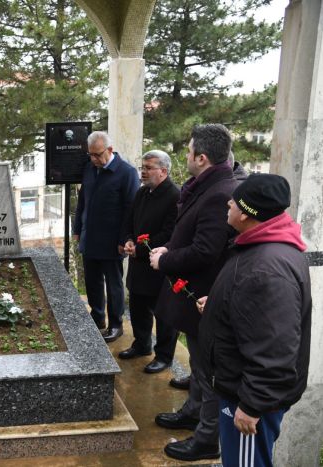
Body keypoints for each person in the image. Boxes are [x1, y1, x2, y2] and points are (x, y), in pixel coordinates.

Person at [198, 174, 311, 467]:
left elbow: (275, 348)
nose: (228, 203)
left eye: (234, 201)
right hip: (243, 389)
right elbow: (257, 313)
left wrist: (251, 405)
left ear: (246, 213)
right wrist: (221, 305)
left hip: (247, 398)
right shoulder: (263, 248)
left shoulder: (266, 268)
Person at [150, 124, 239, 462]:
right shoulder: (208, 186)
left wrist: (165, 260)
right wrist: (169, 248)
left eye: (188, 152)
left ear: (201, 158)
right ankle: (193, 412)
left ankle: (206, 439)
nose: (185, 157)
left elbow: (205, 251)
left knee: (207, 371)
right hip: (193, 296)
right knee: (199, 366)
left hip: (202, 297)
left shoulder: (218, 193)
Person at [72, 131, 140, 342]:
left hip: (112, 241)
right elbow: (83, 200)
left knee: (113, 284)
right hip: (90, 237)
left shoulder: (127, 172)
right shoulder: (90, 168)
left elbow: (130, 209)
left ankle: (116, 324)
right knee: (92, 281)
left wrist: (124, 239)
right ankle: (97, 317)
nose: (93, 159)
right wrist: (77, 228)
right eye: (90, 155)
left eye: (97, 155)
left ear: (110, 150)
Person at [120, 150, 179, 374]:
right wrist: (128, 239)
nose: (143, 172)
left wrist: (141, 249)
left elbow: (169, 233)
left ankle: (164, 356)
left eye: (148, 168)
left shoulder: (175, 196)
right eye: (142, 167)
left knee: (163, 314)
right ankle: (141, 344)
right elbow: (130, 220)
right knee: (137, 307)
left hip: (158, 265)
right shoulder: (142, 192)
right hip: (138, 263)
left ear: (163, 171)